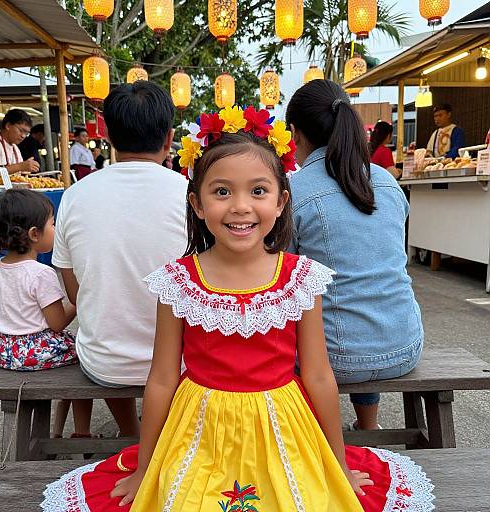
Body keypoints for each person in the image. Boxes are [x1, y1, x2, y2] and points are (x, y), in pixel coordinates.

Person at [41, 106, 434, 512]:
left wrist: (337, 463)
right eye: (222, 191)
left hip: (283, 426)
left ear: (282, 201)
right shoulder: (177, 281)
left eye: (258, 191)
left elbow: (318, 374)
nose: (240, 206)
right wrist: (146, 467)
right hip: (198, 429)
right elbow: (160, 380)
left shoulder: (301, 278)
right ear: (196, 203)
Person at [52, 81, 188, 438]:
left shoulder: (75, 196)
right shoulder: (191, 194)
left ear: (108, 134)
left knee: (105, 324)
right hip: (183, 363)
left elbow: (74, 290)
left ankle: (131, 429)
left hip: (104, 361)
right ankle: (157, 433)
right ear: (168, 136)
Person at [286, 80, 424, 431]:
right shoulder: (385, 181)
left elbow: (281, 272)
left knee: (307, 317)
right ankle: (368, 424)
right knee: (362, 296)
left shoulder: (293, 190)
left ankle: (313, 430)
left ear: (296, 134)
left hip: (336, 357)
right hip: (405, 344)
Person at [0, 189, 91, 437]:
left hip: (4, 349)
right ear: (34, 234)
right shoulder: (39, 273)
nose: (56, 229)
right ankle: (82, 432)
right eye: (52, 224)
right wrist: (79, 298)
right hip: (33, 352)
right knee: (88, 355)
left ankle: (57, 432)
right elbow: (56, 323)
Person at [0, 109, 40, 174]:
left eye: (26, 133)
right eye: (21, 131)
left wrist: (26, 169)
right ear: (8, 126)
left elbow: (19, 172)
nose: (23, 136)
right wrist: (20, 166)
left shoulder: (15, 147)